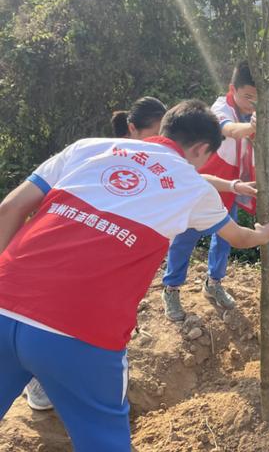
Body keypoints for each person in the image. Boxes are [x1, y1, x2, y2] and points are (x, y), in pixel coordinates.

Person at [0, 100, 269, 451]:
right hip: (80, 330)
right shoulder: (193, 189)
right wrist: (264, 234)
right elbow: (237, 236)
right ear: (203, 148)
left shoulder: (88, 148)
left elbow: (9, 208)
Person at [22, 96, 170, 413]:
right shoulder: (97, 155)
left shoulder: (153, 168)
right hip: (62, 263)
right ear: (132, 129)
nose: (163, 143)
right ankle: (40, 380)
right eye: (157, 132)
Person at [161, 60, 258, 321]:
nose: (251, 103)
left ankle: (213, 283)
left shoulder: (251, 113)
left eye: (256, 99)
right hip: (204, 183)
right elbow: (227, 130)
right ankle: (171, 289)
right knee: (186, 237)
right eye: (247, 96)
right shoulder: (221, 108)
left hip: (230, 185)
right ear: (232, 89)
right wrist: (250, 128)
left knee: (225, 238)